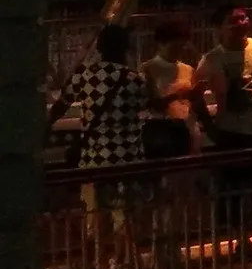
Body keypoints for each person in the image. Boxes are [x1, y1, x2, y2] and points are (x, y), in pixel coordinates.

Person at [53, 23, 146, 171]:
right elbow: (147, 107)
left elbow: (61, 105)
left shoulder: (83, 76)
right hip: (128, 157)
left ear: (99, 48)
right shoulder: (135, 79)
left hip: (94, 158)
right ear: (126, 49)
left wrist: (44, 128)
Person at [196, 9, 252, 152]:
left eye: (243, 18)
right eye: (233, 21)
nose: (241, 23)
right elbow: (196, 95)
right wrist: (210, 127)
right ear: (219, 28)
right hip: (231, 132)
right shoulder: (211, 59)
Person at [138, 24, 197, 159]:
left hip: (185, 129)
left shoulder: (188, 69)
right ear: (161, 44)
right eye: (175, 47)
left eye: (182, 46)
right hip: (159, 131)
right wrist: (176, 96)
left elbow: (194, 103)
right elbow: (149, 104)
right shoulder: (148, 68)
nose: (180, 50)